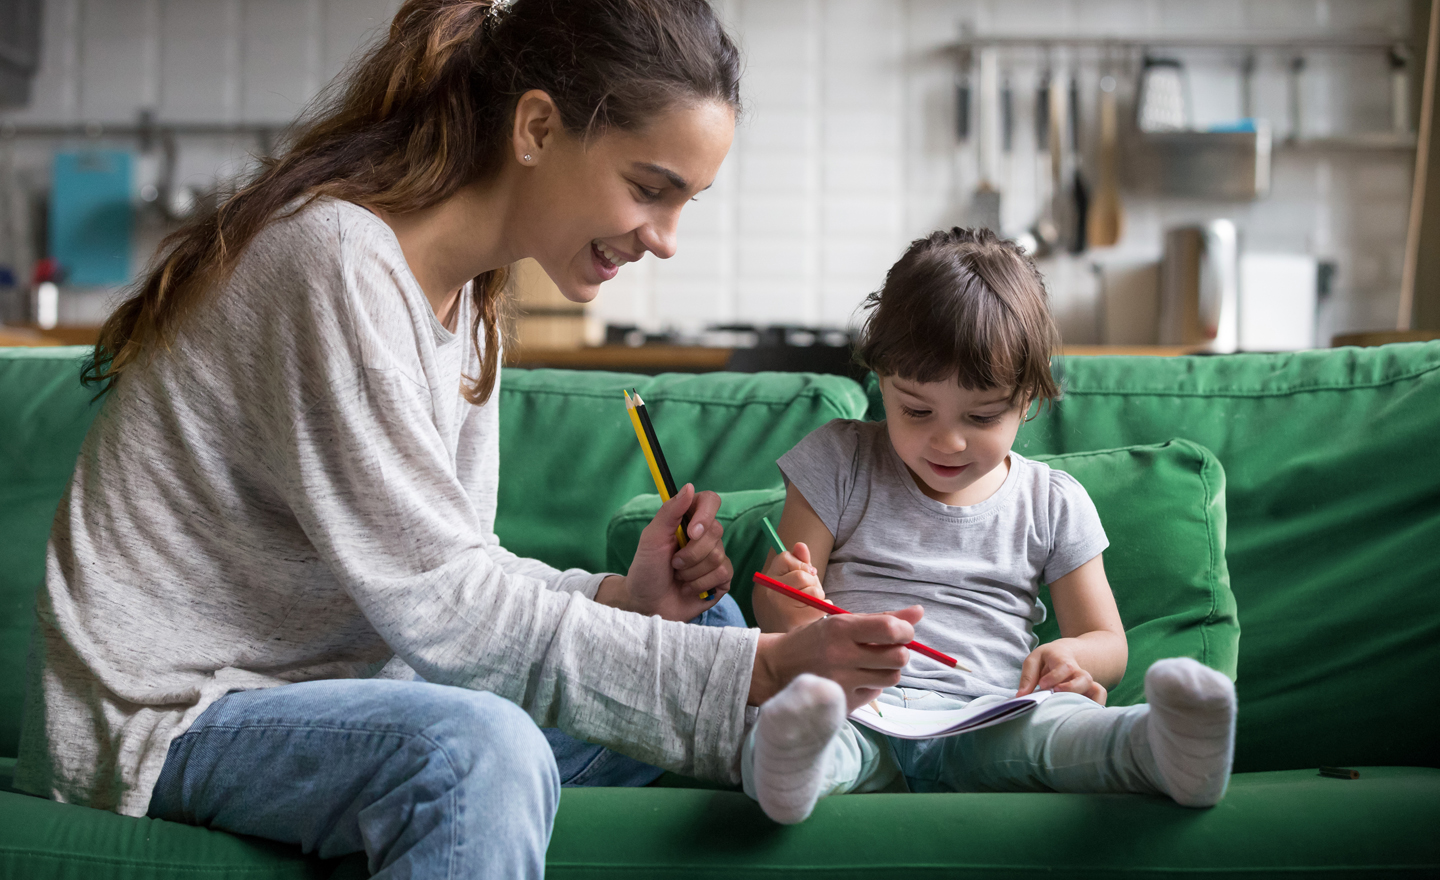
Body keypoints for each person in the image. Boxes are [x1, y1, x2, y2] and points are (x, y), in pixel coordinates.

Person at [16, 1, 930, 876]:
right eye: (651, 189)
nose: (666, 238)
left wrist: (622, 594)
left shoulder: (475, 305)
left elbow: (457, 565)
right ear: (535, 129)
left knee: (709, 627)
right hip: (175, 713)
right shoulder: (336, 261)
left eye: (686, 201)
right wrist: (755, 670)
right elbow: (445, 604)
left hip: (354, 688)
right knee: (479, 753)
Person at [742, 228, 1238, 824]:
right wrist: (789, 603)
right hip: (855, 704)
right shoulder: (838, 461)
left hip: (990, 714)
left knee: (1066, 732)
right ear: (882, 380)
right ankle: (789, 768)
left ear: (1027, 398)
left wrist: (1071, 655)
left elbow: (1108, 642)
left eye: (981, 416)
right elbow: (781, 614)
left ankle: (1161, 749)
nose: (947, 440)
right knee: (801, 721)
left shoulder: (1052, 501)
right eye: (915, 410)